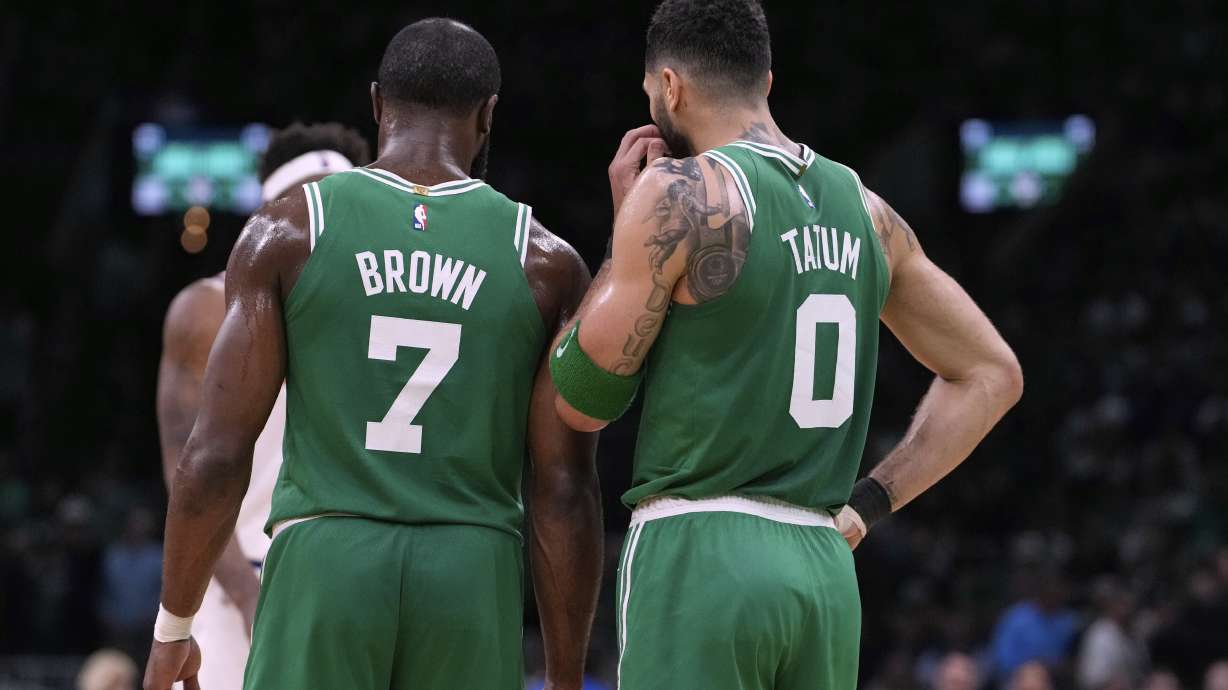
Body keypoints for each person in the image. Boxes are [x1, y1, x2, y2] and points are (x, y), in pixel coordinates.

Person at [548, 0, 1023, 687]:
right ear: (766, 81)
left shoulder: (680, 193)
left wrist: (623, 234)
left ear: (670, 87)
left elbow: (583, 401)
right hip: (823, 567)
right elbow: (992, 374)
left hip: (702, 550)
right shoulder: (868, 210)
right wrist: (868, 506)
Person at [143, 18, 600, 690]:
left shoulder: (287, 231)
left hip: (327, 555)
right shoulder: (544, 260)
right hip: (469, 565)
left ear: (378, 104)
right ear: (488, 115)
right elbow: (563, 489)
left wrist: (173, 629)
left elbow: (213, 455)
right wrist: (566, 676)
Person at [154, 121, 371, 690]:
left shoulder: (389, 307)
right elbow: (188, 474)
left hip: (349, 584)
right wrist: (250, 596)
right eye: (310, 202)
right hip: (233, 582)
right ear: (269, 214)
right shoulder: (205, 309)